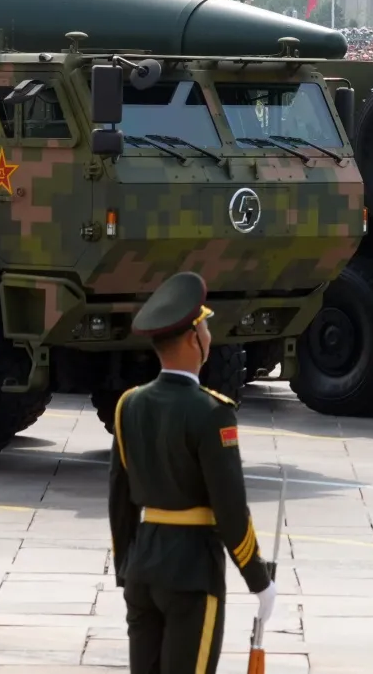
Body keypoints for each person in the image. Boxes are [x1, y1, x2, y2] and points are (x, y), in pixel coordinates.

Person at [107, 271, 276, 674]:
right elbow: (231, 510)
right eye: (205, 327)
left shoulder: (129, 406)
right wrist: (258, 579)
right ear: (192, 339)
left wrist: (127, 567)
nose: (209, 335)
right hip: (192, 572)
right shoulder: (211, 412)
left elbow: (119, 502)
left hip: (142, 569)